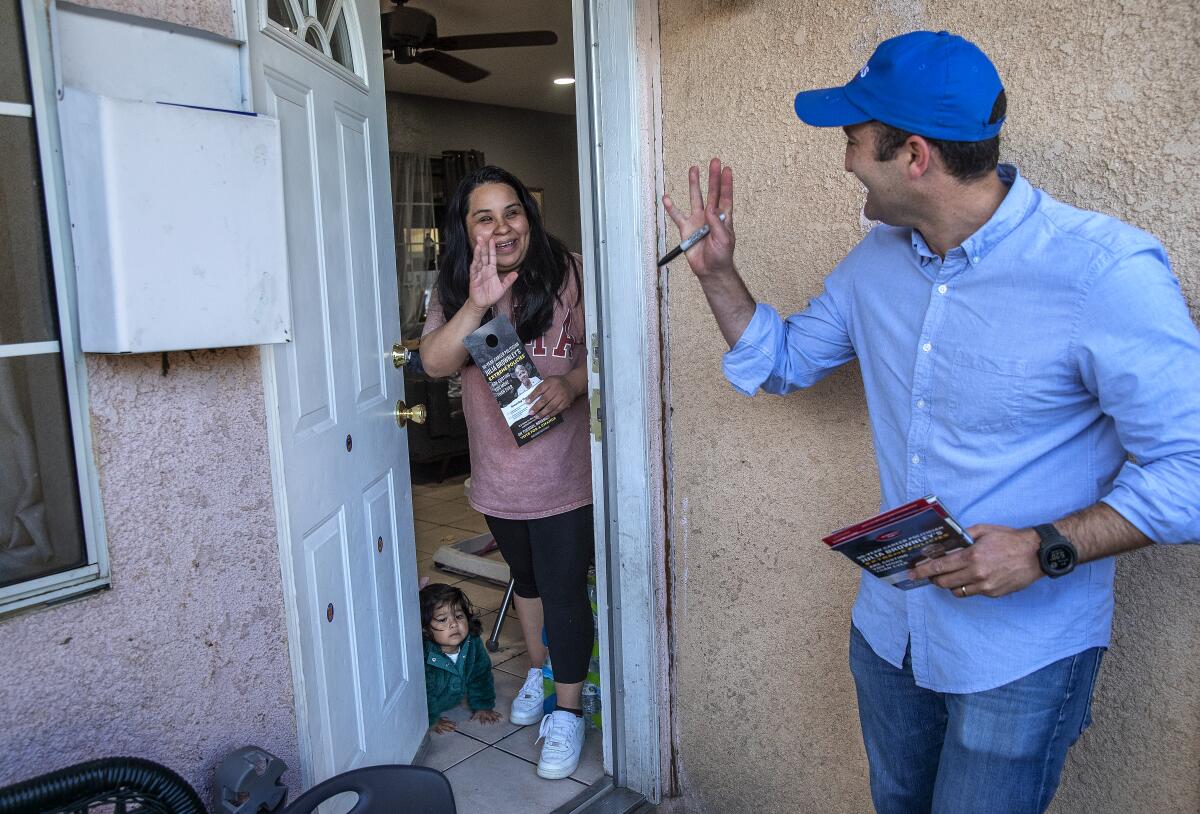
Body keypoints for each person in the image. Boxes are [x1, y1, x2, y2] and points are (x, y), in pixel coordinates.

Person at [664, 30, 1200, 814]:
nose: (845, 159)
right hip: (891, 633)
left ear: (913, 155)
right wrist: (718, 276)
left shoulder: (1104, 273)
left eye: (853, 140)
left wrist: (1045, 547)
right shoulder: (874, 264)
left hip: (1020, 657)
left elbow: (1191, 470)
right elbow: (781, 361)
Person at [419, 165, 594, 780]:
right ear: (465, 229)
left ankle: (567, 712)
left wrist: (572, 384)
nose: (501, 227)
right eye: (483, 217)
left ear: (529, 214)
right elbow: (436, 362)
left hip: (565, 476)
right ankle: (544, 676)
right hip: (499, 478)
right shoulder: (455, 288)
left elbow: (612, 353)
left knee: (566, 590)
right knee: (527, 583)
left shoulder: (568, 271)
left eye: (511, 212)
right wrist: (477, 302)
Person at [421, 583, 501, 733]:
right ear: (425, 628)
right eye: (442, 619)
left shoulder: (473, 643)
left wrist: (483, 705)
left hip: (453, 699)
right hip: (432, 706)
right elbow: (423, 693)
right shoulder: (424, 655)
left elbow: (481, 676)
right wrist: (431, 720)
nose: (454, 624)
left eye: (459, 616)